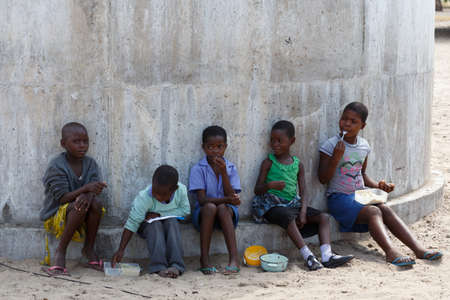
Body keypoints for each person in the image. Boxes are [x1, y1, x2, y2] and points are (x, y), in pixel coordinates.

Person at [318, 102, 443, 266]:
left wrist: (378, 186)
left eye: (353, 121)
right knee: (373, 212)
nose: (347, 124)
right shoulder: (330, 145)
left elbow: (361, 174)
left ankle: (418, 249)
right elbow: (323, 178)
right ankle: (391, 252)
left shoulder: (364, 146)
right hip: (339, 198)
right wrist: (336, 158)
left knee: (385, 208)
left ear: (362, 126)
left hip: (359, 195)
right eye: (344, 119)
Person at [252, 120, 354, 271]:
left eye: (280, 141)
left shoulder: (297, 164)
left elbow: (304, 191)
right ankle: (308, 256)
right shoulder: (268, 162)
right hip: (271, 205)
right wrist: (270, 186)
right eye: (272, 140)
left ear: (291, 141)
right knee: (288, 216)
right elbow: (257, 189)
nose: (275, 144)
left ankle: (327, 255)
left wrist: (304, 211)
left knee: (324, 217)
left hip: (293, 204)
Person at [40, 122, 107, 276]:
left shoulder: (90, 163)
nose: (82, 146)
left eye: (85, 141)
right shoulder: (57, 166)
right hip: (57, 213)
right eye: (76, 142)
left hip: (82, 208)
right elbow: (62, 198)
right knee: (80, 204)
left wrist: (90, 192)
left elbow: (94, 190)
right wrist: (85, 189)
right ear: (64, 144)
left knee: (95, 203)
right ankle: (60, 252)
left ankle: (88, 249)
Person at [111, 165, 190, 278]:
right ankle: (159, 267)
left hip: (169, 223)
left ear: (173, 190)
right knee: (155, 224)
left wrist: (161, 214)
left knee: (172, 221)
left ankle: (176, 266)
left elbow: (185, 211)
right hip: (147, 226)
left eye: (162, 194)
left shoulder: (181, 190)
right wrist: (121, 250)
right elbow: (132, 223)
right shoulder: (144, 197)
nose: (156, 196)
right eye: (155, 191)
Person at [189, 126, 241, 275]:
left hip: (226, 214)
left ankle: (234, 259)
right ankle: (204, 259)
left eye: (219, 147)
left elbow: (231, 196)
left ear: (225, 147)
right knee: (212, 207)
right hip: (204, 214)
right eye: (210, 147)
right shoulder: (198, 168)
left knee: (223, 208)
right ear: (203, 148)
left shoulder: (230, 167)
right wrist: (227, 199)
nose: (215, 151)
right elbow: (202, 200)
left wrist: (224, 173)